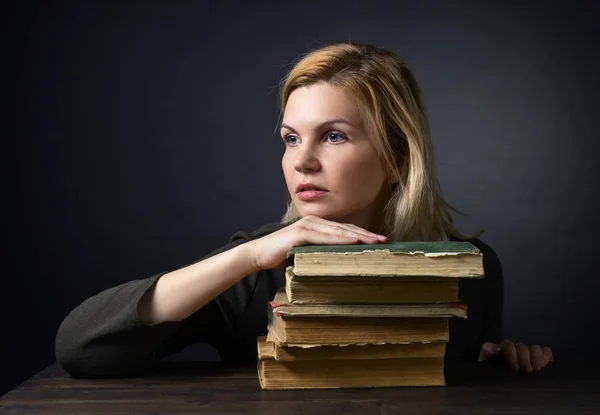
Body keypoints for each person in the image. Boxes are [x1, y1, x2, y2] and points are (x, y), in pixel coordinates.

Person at [55, 42, 552, 378]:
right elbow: (79, 347)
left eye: (333, 136)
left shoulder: (473, 266)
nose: (301, 161)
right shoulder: (257, 267)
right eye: (291, 138)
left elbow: (469, 371)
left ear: (399, 157)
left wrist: (503, 361)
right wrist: (246, 258)